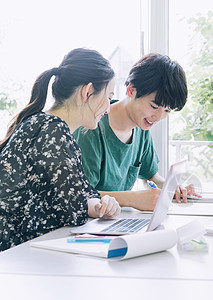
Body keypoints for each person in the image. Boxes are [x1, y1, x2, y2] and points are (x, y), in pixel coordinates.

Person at [0, 48, 121, 251]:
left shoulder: (44, 124)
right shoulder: (52, 129)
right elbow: (73, 210)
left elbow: (73, 198)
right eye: (108, 97)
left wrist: (101, 205)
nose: (108, 108)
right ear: (88, 91)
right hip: (13, 256)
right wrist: (95, 205)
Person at [74, 53, 191, 211]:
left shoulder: (141, 128)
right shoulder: (92, 128)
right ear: (131, 90)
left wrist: (170, 188)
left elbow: (150, 176)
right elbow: (81, 194)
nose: (158, 117)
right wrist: (134, 199)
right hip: (89, 225)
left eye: (167, 110)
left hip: (115, 220)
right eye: (154, 106)